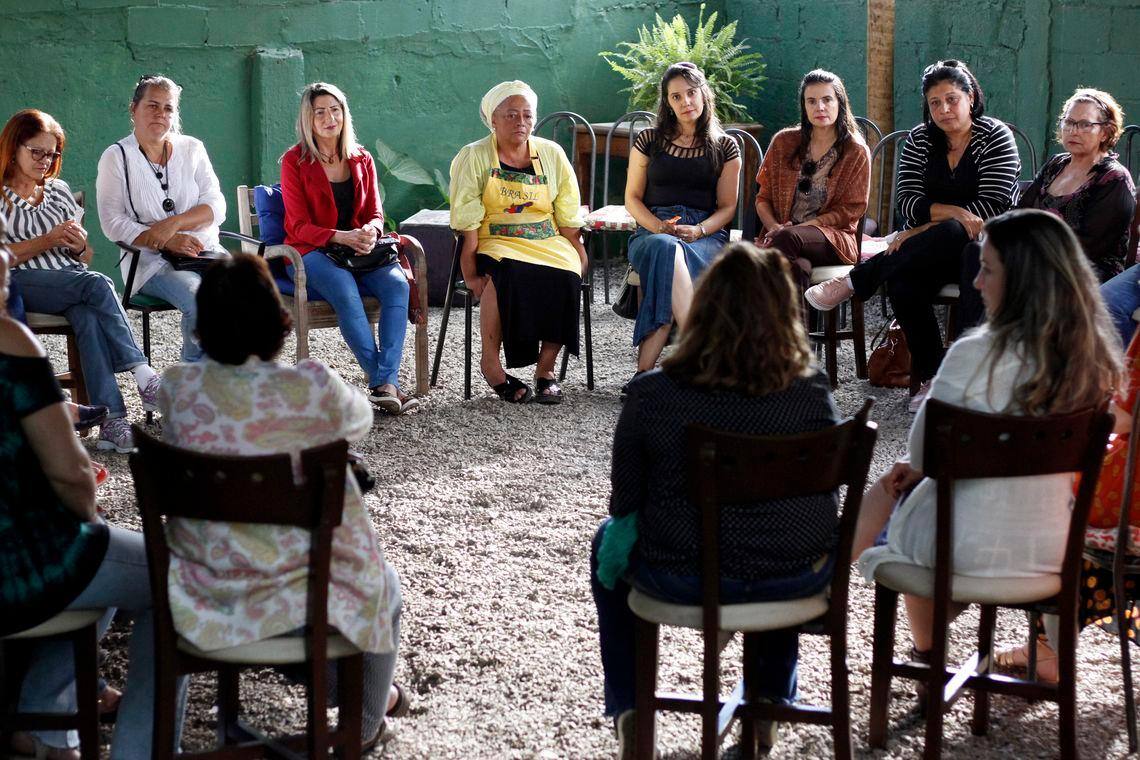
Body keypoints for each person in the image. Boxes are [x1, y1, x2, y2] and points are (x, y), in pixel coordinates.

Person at [853, 209, 1121, 696]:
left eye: (987, 268)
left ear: (1021, 281)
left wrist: (917, 469)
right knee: (914, 484)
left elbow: (923, 456)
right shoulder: (1094, 360)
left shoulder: (972, 355)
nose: (975, 282)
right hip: (1053, 552)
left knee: (902, 484)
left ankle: (921, 650)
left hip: (958, 552)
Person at [591, 242, 841, 758]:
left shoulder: (653, 393)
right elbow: (820, 504)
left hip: (679, 571)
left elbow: (625, 504)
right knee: (776, 528)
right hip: (791, 575)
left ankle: (632, 704)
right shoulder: (811, 394)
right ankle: (768, 697)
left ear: (703, 307)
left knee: (605, 547)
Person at [158, 253, 407, 748]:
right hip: (299, 593)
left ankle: (356, 695)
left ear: (202, 329)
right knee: (387, 589)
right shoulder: (310, 387)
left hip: (204, 587)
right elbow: (359, 420)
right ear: (279, 322)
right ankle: (362, 724)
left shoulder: (177, 389)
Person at [0, 231, 185, 760]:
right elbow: (71, 476)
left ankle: (47, 728)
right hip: (21, 562)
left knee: (106, 572)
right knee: (171, 575)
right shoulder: (10, 342)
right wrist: (88, 521)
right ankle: (141, 752)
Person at [806, 60, 1020, 411]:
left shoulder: (995, 136)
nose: (944, 109)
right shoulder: (921, 139)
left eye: (952, 99)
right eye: (935, 103)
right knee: (904, 281)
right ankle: (938, 378)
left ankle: (857, 281)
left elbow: (991, 209)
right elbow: (906, 203)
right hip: (931, 252)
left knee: (960, 239)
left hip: (987, 252)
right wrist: (950, 214)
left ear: (970, 97)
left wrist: (927, 224)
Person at [2, 108, 160, 452]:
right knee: (99, 284)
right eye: (36, 151)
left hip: (69, 281)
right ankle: (142, 374)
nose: (45, 160)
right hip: (20, 284)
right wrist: (48, 240)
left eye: (52, 153)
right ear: (14, 147)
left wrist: (79, 247)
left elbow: (85, 257)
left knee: (88, 316)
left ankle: (112, 421)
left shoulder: (58, 191)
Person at [280, 81, 419, 414]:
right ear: (308, 120)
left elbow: (374, 213)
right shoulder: (294, 161)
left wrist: (370, 231)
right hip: (309, 251)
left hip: (359, 249)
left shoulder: (362, 158)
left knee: (398, 285)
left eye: (336, 110)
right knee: (344, 289)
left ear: (344, 113)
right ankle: (385, 383)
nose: (330, 118)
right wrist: (340, 236)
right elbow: (296, 225)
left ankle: (383, 384)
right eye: (320, 112)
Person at [449, 80, 588, 404]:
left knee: (567, 275)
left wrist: (578, 250)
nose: (520, 122)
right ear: (492, 120)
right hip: (495, 238)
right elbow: (468, 223)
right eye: (511, 115)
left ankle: (546, 370)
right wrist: (470, 273)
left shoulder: (551, 154)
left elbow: (567, 213)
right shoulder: (475, 156)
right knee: (507, 274)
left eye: (527, 115)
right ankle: (492, 365)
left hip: (546, 236)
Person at [623, 61, 741, 389]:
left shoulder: (726, 146)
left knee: (669, 254)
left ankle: (644, 372)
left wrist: (700, 230)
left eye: (691, 93)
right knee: (664, 247)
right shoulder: (648, 140)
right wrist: (658, 226)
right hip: (652, 229)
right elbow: (632, 198)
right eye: (676, 97)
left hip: (705, 234)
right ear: (667, 103)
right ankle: (699, 354)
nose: (685, 102)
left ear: (704, 94)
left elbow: (727, 208)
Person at [96, 73, 227, 364]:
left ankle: (217, 388)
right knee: (200, 302)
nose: (161, 113)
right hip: (149, 262)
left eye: (168, 108)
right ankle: (192, 392)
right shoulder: (116, 157)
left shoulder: (192, 148)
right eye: (152, 105)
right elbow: (112, 222)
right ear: (134, 109)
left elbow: (216, 205)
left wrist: (174, 224)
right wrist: (167, 241)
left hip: (205, 252)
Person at [755, 69, 871, 289]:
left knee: (786, 242)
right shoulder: (784, 141)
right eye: (812, 101)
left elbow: (851, 210)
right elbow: (763, 198)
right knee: (797, 268)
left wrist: (801, 228)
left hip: (833, 239)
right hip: (780, 238)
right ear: (804, 106)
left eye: (827, 99)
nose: (820, 107)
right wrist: (774, 228)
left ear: (840, 103)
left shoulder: (855, 151)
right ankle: (795, 325)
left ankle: (760, 321)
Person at [1017, 88, 1134, 283]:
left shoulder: (1114, 178)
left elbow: (1088, 245)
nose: (1074, 131)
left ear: (1105, 133)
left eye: (1085, 125)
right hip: (1037, 256)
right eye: (1069, 122)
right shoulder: (1056, 164)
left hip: (1085, 270)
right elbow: (1021, 213)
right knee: (978, 255)